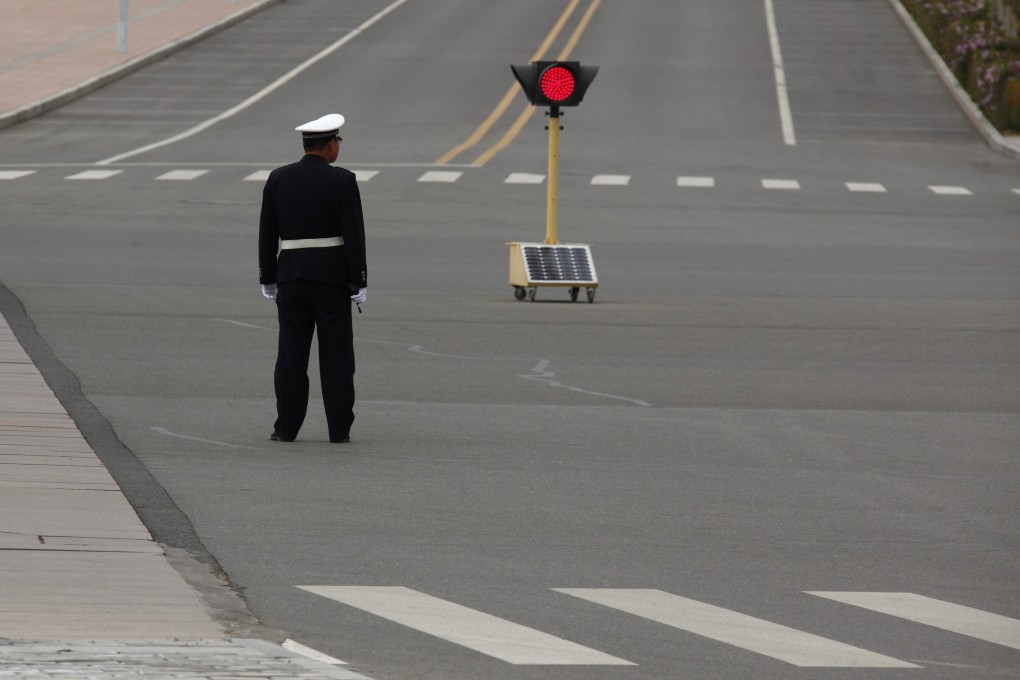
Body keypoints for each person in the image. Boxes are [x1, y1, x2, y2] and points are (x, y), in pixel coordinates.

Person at [258, 113, 367, 443]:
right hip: (331, 281)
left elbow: (267, 233)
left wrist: (268, 277)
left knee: (291, 356)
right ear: (332, 145)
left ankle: (286, 428)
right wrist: (359, 280)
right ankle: (338, 430)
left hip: (290, 278)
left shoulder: (278, 178)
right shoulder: (342, 181)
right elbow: (353, 235)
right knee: (336, 358)